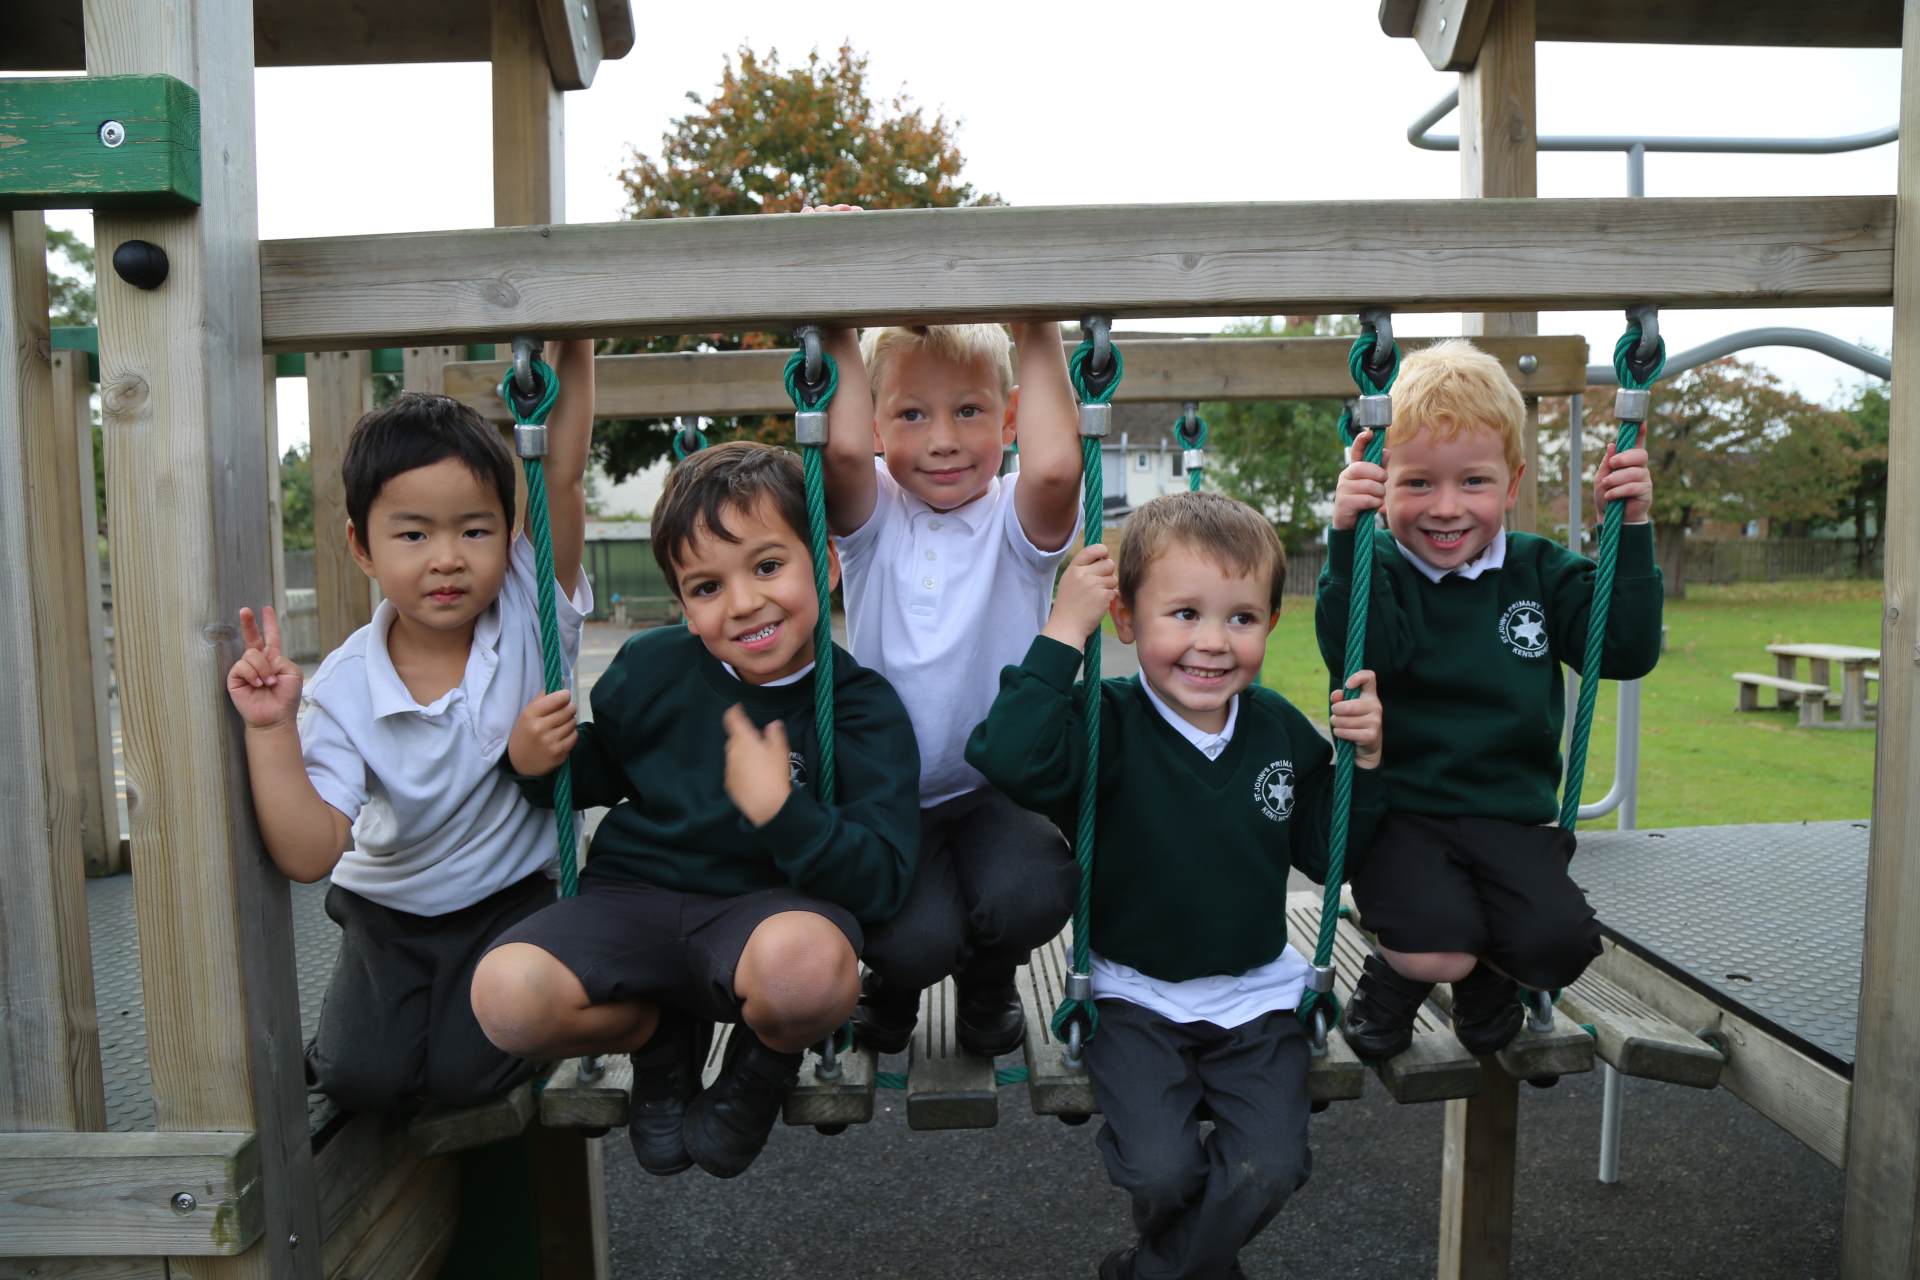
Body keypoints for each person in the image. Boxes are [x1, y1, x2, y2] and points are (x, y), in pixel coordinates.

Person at [470, 441, 920, 1179]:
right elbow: (602, 771)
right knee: (505, 999)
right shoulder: (652, 669)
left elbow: (883, 880)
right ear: (683, 607)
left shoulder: (861, 711)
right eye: (707, 587)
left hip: (766, 915)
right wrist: (534, 762)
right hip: (635, 898)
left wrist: (783, 813)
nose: (743, 603)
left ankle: (762, 1062)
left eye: (767, 566)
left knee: (809, 973)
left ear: (828, 565)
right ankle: (656, 1037)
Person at [967, 491, 1384, 1280]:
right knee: (1161, 1172)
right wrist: (1064, 630)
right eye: (1184, 614)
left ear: (1270, 623)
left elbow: (1330, 853)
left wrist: (1363, 767)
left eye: (1241, 618)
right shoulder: (1105, 723)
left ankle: (1154, 1270)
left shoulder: (1277, 730)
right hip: (1134, 997)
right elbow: (1007, 757)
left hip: (1257, 999)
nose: (1213, 643)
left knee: (1269, 1167)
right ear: (1127, 620)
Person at [223, 340, 596, 1113]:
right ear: (362, 547)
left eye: (475, 531)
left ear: (510, 535)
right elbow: (310, 852)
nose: (447, 559)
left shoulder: (530, 606)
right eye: (414, 534)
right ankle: (355, 1041)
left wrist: (576, 339)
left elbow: (559, 472)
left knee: (465, 1078)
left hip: (513, 899)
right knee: (363, 1079)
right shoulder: (346, 688)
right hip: (389, 914)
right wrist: (270, 730)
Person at [1316, 338, 1662, 1060]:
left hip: (1512, 819)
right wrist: (1348, 538)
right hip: (1406, 818)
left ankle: (1488, 980)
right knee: (1436, 946)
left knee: (1558, 946)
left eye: (1473, 481)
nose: (1446, 508)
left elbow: (1625, 650)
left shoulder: (1539, 571)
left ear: (1511, 484)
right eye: (1417, 483)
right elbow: (1361, 653)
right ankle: (1397, 981)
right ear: (1381, 483)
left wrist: (1630, 528)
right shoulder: (1382, 569)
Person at [817, 319, 1085, 1058]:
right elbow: (841, 451)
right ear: (876, 427)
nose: (943, 440)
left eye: (969, 410)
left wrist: (1038, 329)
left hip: (993, 789)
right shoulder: (872, 519)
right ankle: (894, 982)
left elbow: (1055, 470)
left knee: (1034, 889)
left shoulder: (1016, 523)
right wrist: (837, 323)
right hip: (890, 795)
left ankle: (990, 978)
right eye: (911, 414)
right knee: (912, 937)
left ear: (1009, 417)